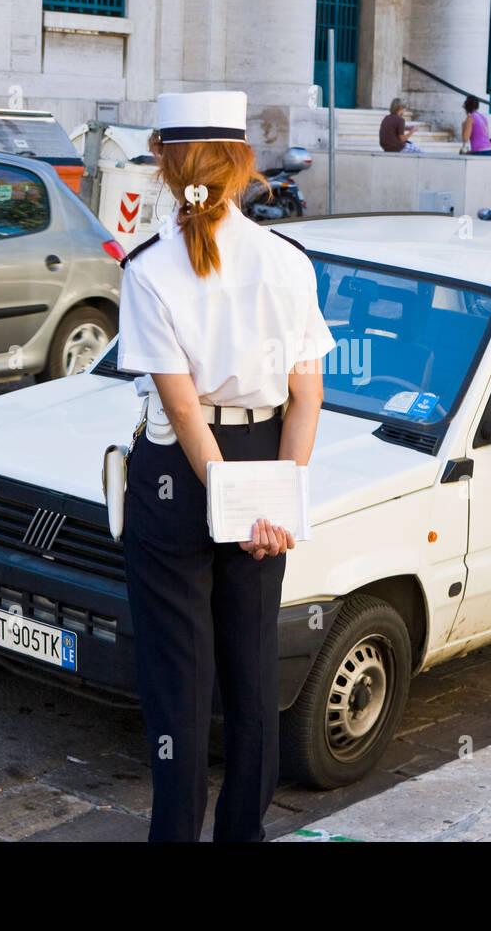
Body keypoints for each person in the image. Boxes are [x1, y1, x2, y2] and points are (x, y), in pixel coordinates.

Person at [116, 90, 336, 841]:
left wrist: (234, 499)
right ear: (242, 169)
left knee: (179, 681)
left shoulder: (149, 268)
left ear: (167, 171)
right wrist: (278, 498)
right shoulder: (289, 261)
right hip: (265, 456)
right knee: (253, 670)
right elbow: (308, 398)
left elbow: (182, 412)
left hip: (184, 473)